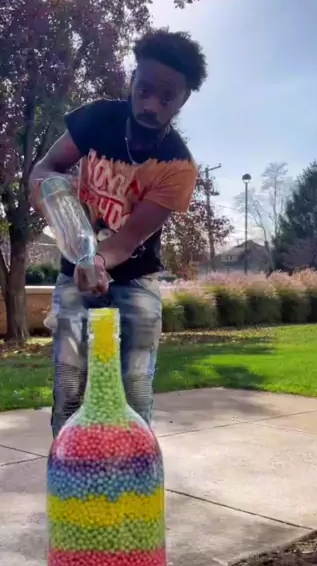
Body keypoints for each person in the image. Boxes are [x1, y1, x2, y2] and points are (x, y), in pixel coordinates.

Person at [31, 28, 207, 437]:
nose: (151, 105)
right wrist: (49, 195)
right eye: (144, 90)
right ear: (132, 79)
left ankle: (132, 475)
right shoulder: (96, 119)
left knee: (135, 392)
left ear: (183, 100)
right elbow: (44, 168)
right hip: (74, 271)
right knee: (69, 389)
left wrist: (96, 259)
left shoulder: (178, 167)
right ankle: (69, 475)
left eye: (167, 98)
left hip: (136, 278)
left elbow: (127, 240)